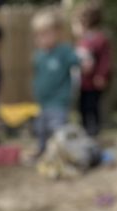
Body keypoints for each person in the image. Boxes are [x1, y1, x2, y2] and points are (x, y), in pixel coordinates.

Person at [31, 7, 83, 156]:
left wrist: (84, 60)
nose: (43, 38)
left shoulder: (63, 51)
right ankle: (42, 152)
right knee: (41, 129)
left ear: (58, 32)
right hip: (43, 103)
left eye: (47, 33)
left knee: (58, 129)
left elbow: (77, 61)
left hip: (59, 101)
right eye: (40, 35)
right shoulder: (39, 56)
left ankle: (62, 153)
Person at [74, 2, 112, 137]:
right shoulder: (82, 40)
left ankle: (94, 131)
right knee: (82, 107)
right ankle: (85, 131)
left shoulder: (100, 40)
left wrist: (101, 75)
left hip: (93, 84)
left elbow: (105, 60)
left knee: (92, 107)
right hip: (83, 83)